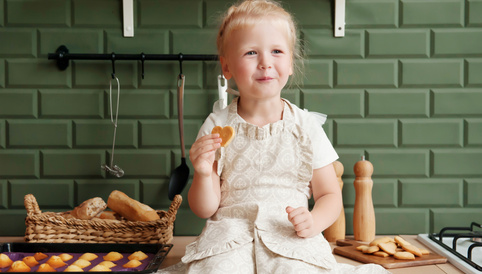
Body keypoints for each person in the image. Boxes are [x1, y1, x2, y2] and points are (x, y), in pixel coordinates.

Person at [159, 0, 390, 273]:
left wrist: (314, 222)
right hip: (230, 238)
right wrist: (203, 173)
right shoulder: (216, 125)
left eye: (277, 51)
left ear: (291, 63)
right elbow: (205, 209)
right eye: (251, 53)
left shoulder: (306, 127)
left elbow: (329, 194)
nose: (265, 63)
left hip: (290, 235)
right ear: (227, 66)